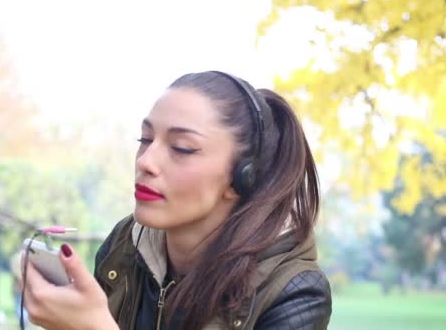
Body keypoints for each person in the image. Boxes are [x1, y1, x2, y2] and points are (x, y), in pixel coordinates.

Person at [22, 71, 332, 329]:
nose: (146, 161)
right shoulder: (124, 246)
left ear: (242, 177)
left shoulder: (296, 294)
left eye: (182, 148)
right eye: (145, 139)